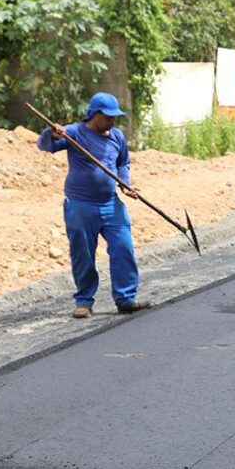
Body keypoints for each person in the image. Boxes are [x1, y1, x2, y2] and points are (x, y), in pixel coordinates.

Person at [37, 92, 150, 319]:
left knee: (123, 247)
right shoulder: (74, 133)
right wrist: (51, 133)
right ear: (95, 114)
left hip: (110, 204)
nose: (112, 121)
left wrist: (125, 185)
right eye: (108, 116)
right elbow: (45, 145)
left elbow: (123, 163)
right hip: (81, 205)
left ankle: (126, 299)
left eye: (114, 117)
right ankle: (84, 302)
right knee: (83, 254)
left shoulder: (117, 137)